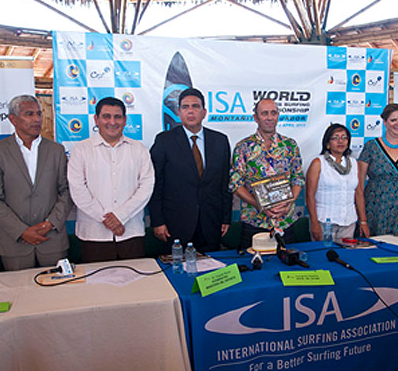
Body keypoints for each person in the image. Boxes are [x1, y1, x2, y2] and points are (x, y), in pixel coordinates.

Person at [0, 95, 72, 271]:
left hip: (52, 240)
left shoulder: (56, 150)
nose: (37, 119)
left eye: (39, 114)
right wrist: (21, 231)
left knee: (57, 294)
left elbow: (67, 192)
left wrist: (50, 224)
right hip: (15, 242)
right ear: (13, 119)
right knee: (20, 294)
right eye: (29, 114)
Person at [68, 97, 154, 261]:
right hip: (94, 234)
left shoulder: (139, 149)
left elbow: (146, 187)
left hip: (130, 232)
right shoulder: (81, 150)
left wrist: (120, 216)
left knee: (136, 283)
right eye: (106, 116)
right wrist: (107, 220)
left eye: (117, 117)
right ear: (96, 119)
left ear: (125, 120)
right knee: (98, 285)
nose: (112, 122)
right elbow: (78, 189)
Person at [149, 88, 232, 253]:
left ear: (204, 112)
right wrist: (157, 221)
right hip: (175, 225)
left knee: (210, 271)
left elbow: (225, 183)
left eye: (196, 106)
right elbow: (155, 184)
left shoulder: (220, 141)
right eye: (185, 107)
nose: (191, 111)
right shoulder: (164, 141)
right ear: (179, 113)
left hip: (211, 222)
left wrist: (225, 218)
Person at [230, 98, 304, 249]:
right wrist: (260, 205)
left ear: (278, 116)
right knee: (253, 269)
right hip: (254, 223)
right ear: (256, 118)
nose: (269, 117)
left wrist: (288, 203)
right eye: (264, 113)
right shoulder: (243, 147)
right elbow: (235, 184)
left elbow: (298, 178)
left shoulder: (290, 145)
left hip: (285, 221)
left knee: (288, 268)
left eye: (273, 113)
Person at [356, 103, 398, 237]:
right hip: (375, 210)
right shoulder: (371, 147)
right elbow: (359, 183)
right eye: (393, 120)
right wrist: (362, 218)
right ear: (385, 122)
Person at [306, 123, 359, 241]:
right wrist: (314, 223)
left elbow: (358, 193)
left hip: (349, 222)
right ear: (328, 144)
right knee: (323, 256)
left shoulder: (354, 163)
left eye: (344, 137)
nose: (341, 141)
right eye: (335, 138)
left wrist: (363, 221)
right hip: (324, 223)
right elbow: (309, 195)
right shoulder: (318, 163)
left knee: (345, 257)